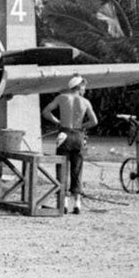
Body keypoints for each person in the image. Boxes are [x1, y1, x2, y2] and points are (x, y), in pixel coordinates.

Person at [42, 75, 99, 214]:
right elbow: (94, 121)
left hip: (64, 134)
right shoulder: (85, 102)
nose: (85, 90)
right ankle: (77, 203)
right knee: (77, 169)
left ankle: (64, 202)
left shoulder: (62, 98)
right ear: (79, 87)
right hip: (78, 135)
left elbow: (45, 112)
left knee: (62, 168)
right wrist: (82, 126)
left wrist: (57, 122)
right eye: (84, 87)